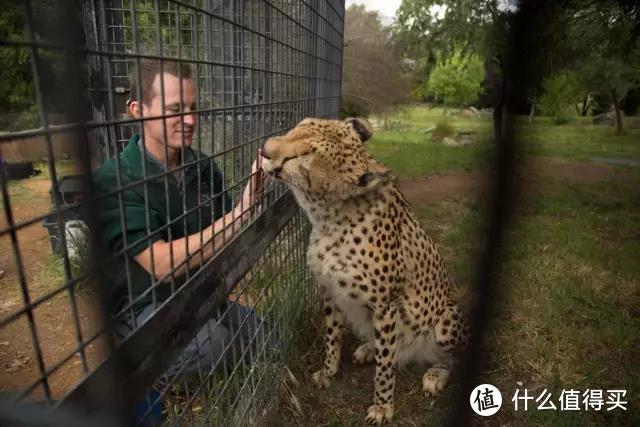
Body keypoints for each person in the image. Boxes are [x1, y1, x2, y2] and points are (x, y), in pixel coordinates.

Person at [93, 58, 273, 384]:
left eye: (192, 107)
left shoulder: (202, 167)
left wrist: (253, 205)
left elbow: (228, 236)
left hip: (198, 297)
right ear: (138, 110)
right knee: (219, 346)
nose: (190, 120)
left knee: (267, 337)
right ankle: (140, 359)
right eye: (175, 109)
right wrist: (240, 215)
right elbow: (162, 265)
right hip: (147, 308)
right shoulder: (113, 180)